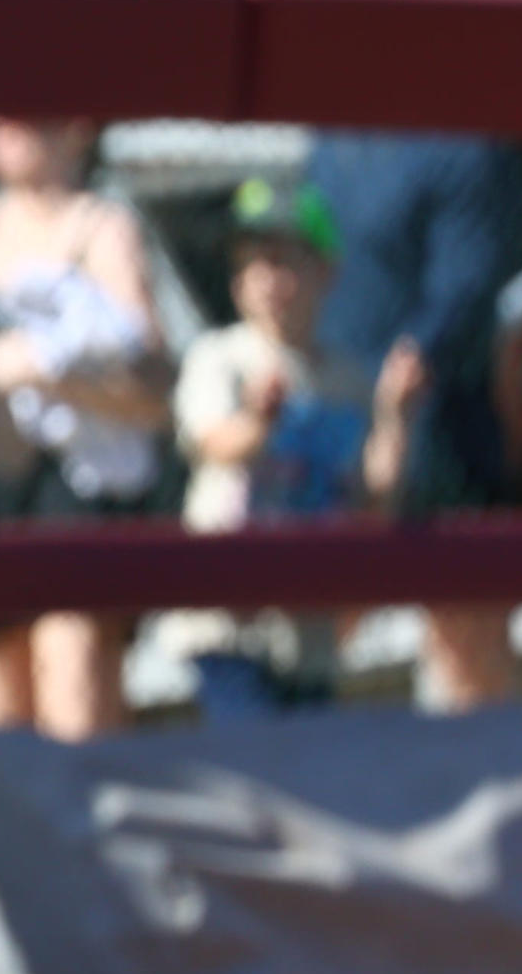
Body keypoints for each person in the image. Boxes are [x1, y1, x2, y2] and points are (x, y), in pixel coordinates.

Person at [0, 118, 167, 741]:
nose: (6, 130)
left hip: (77, 485)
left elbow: (153, 393)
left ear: (76, 126)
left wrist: (44, 372)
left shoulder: (104, 230)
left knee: (75, 699)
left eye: (29, 112)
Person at [164, 179, 421, 716]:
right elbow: (217, 444)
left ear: (325, 272)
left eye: (286, 262)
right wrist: (259, 419)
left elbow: (371, 501)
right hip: (229, 624)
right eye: (254, 263)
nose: (269, 280)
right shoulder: (220, 359)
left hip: (310, 632)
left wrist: (396, 418)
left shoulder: (347, 381)